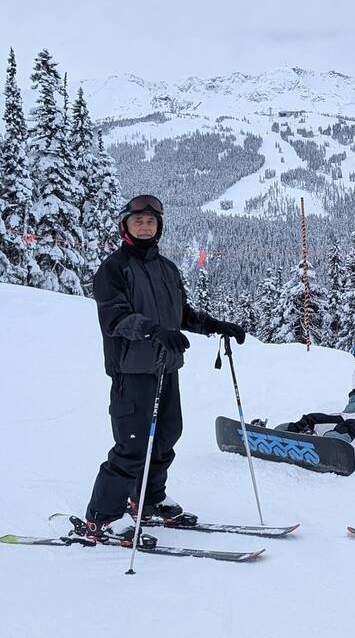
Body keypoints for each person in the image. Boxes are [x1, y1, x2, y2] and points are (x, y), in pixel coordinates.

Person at [77, 195, 245, 547]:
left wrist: (214, 325)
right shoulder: (114, 268)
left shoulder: (167, 269)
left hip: (166, 368)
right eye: (138, 220)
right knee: (132, 446)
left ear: (158, 228)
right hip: (132, 370)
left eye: (151, 221)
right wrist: (153, 330)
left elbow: (181, 314)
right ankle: (101, 518)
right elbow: (114, 318)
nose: (144, 225)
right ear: (126, 226)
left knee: (167, 436)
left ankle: (148, 500)